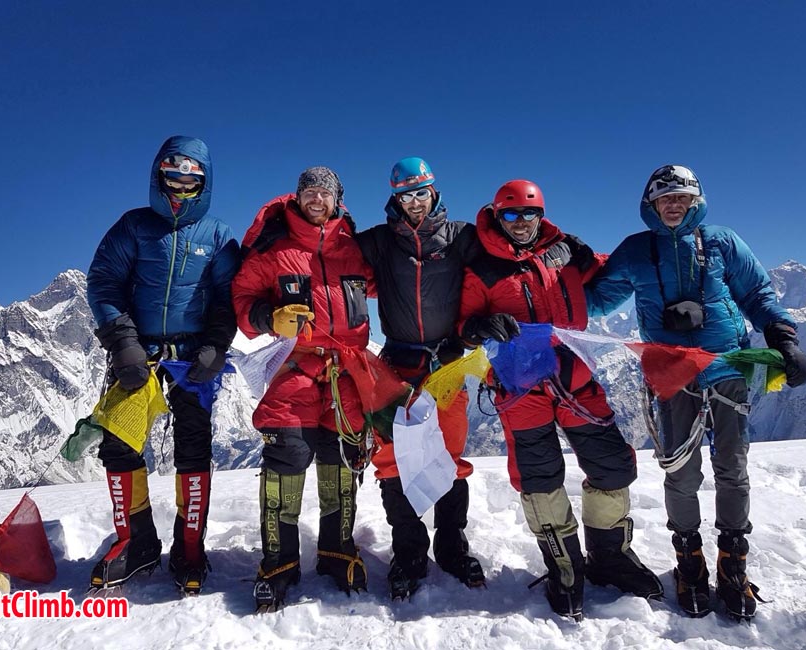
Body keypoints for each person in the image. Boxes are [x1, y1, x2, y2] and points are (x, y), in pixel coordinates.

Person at [584, 164, 806, 622]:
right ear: (651, 205)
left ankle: (732, 561)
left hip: (727, 367)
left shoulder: (723, 242)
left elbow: (756, 293)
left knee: (733, 467)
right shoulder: (635, 251)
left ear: (696, 202)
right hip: (672, 376)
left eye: (682, 198)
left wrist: (783, 337)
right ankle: (688, 559)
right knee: (682, 474)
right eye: (664, 199)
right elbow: (593, 301)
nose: (673, 205)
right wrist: (564, 269)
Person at [458, 180, 662, 621]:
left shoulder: (566, 253)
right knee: (539, 478)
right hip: (519, 388)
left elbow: (614, 273)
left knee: (614, 466)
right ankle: (564, 564)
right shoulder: (482, 268)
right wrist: (480, 327)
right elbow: (463, 324)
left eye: (529, 214)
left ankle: (610, 557)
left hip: (576, 378)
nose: (520, 224)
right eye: (510, 215)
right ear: (497, 217)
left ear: (540, 214)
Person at [86, 135, 240, 595]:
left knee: (194, 449)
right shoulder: (133, 226)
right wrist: (123, 341)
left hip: (193, 360)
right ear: (159, 175)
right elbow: (104, 282)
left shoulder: (216, 235)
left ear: (204, 183)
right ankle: (136, 544)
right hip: (137, 354)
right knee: (119, 445)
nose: (180, 187)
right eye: (173, 176)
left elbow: (228, 299)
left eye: (191, 179)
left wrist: (216, 345)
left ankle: (189, 548)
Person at [233, 166, 375, 611]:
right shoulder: (274, 248)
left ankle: (337, 551)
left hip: (347, 372)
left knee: (340, 459)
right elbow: (241, 299)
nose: (317, 199)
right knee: (287, 455)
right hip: (294, 367)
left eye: (325, 193)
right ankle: (278, 563)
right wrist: (265, 319)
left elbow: (391, 279)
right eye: (309, 191)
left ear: (338, 200)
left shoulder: (354, 249)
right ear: (297, 198)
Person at [356, 157, 484, 601]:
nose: (415, 203)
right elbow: (328, 253)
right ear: (395, 198)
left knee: (449, 456)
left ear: (434, 192)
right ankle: (408, 553)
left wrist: (565, 250)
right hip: (397, 364)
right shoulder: (378, 241)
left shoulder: (463, 237)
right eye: (406, 195)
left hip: (447, 364)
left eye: (421, 193)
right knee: (392, 458)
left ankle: (452, 546)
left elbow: (506, 258)